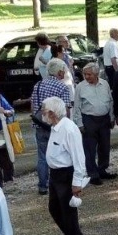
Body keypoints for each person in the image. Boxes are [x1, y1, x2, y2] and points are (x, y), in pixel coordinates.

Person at [41, 96, 89, 235]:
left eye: (44, 112)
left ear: (52, 113)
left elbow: (78, 157)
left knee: (68, 213)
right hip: (55, 175)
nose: (42, 115)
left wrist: (77, 182)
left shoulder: (69, 129)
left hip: (66, 175)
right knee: (54, 208)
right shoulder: (55, 127)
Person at [32, 59, 73, 194]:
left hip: (40, 125)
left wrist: (37, 122)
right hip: (56, 127)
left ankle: (42, 186)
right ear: (60, 72)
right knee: (58, 154)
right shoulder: (62, 87)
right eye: (64, 70)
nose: (64, 73)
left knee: (42, 156)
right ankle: (58, 183)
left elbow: (33, 105)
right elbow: (66, 110)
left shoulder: (38, 85)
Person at [72, 63, 116, 185]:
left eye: (89, 74)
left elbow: (110, 101)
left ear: (96, 74)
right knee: (89, 148)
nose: (86, 76)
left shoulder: (105, 84)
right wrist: (80, 123)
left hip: (104, 119)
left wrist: (112, 117)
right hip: (89, 119)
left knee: (105, 146)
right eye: (85, 74)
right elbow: (77, 106)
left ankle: (102, 169)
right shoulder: (80, 87)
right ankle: (93, 174)